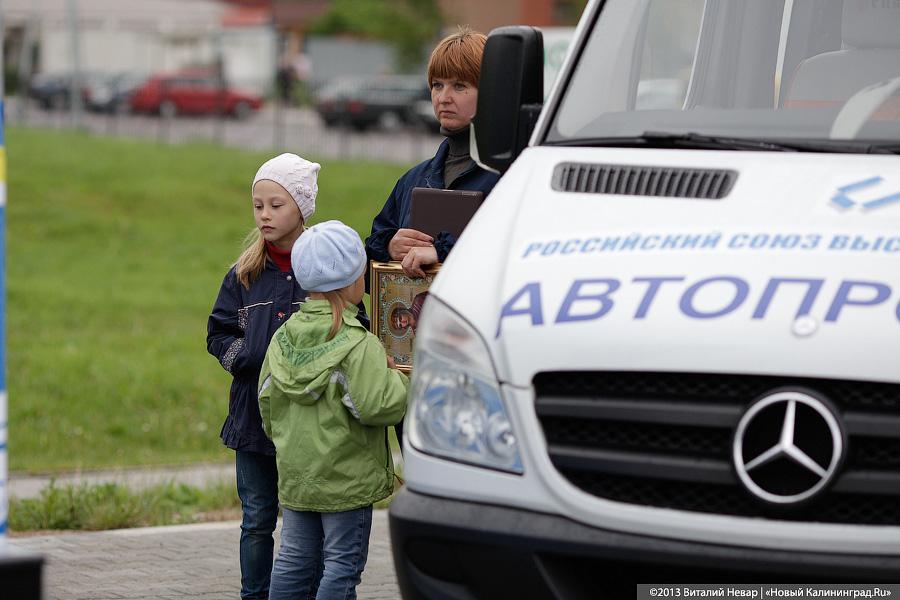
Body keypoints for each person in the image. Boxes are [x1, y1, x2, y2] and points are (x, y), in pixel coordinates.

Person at [208, 153, 361, 600]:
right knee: (257, 520)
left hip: (309, 427)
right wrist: (245, 358)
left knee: (307, 522)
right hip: (253, 423)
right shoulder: (244, 273)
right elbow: (218, 332)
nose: (265, 215)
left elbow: (355, 326)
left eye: (276, 204)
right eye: (258, 205)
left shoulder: (325, 270)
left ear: (301, 207)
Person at [259, 220, 408, 600]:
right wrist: (404, 379)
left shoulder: (282, 337)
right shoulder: (359, 345)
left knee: (294, 559)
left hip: (297, 474)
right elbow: (379, 405)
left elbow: (266, 402)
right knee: (341, 565)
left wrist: (290, 441)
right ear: (353, 281)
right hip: (347, 480)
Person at [365, 27, 500, 280]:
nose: (443, 98)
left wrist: (442, 252)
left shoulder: (511, 176)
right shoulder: (413, 179)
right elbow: (368, 279)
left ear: (492, 92)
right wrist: (389, 248)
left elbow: (514, 252)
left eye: (459, 86)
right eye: (437, 85)